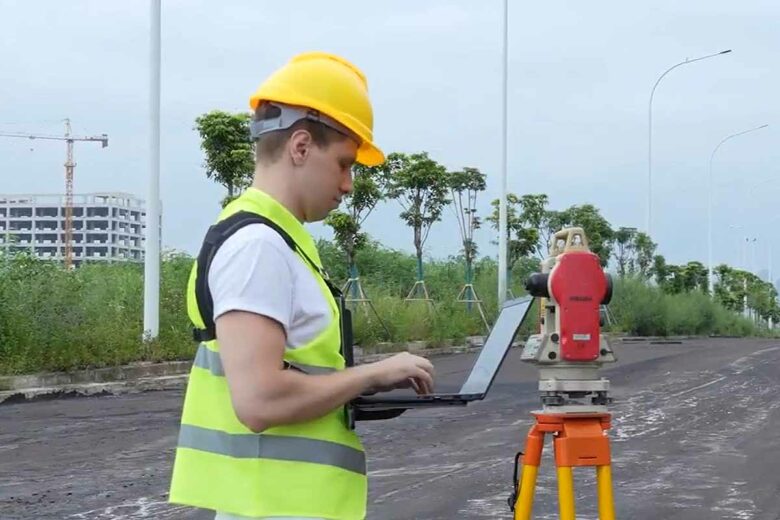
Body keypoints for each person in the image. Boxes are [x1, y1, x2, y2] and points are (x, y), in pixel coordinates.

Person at [168, 51, 436, 520]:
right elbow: (259, 400)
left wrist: (359, 384)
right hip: (274, 506)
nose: (349, 184)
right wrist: (370, 375)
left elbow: (290, 373)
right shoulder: (258, 248)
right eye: (344, 163)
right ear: (300, 147)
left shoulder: (278, 240)